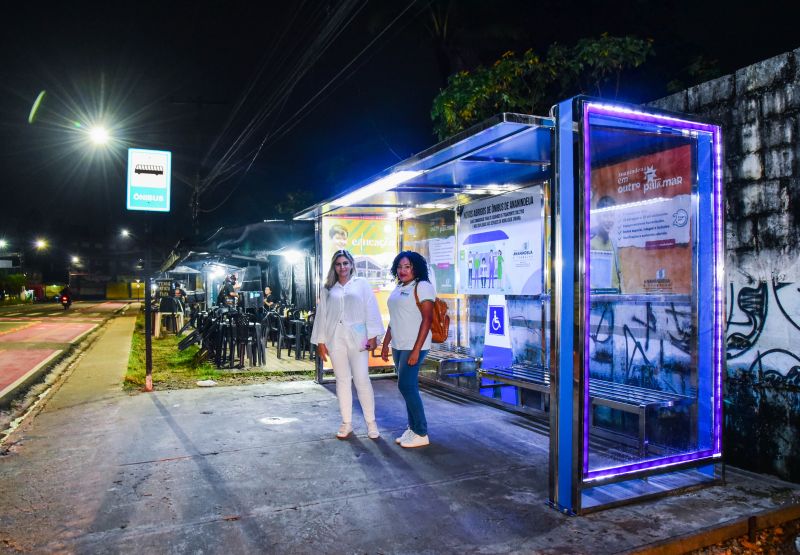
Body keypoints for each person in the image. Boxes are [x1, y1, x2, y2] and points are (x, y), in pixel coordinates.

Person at [310, 249, 384, 440]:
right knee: (342, 380)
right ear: (334, 266)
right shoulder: (327, 288)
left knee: (362, 379)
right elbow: (321, 316)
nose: (342, 267)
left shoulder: (362, 284)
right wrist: (320, 341)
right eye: (338, 264)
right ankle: (347, 423)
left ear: (351, 264)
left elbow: (371, 308)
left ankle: (371, 422)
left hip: (358, 338)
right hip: (335, 339)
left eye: (345, 263)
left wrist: (374, 335)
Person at [380, 250, 435, 448]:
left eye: (408, 267)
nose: (403, 270)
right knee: (408, 387)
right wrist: (386, 343)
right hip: (399, 345)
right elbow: (394, 319)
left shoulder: (423, 286)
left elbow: (428, 320)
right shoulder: (399, 287)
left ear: (416, 268)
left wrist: (415, 350)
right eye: (400, 267)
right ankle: (413, 429)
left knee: (406, 386)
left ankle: (421, 431)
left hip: (415, 345)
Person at [590, 195, 622, 290]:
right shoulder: (589, 242)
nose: (609, 220)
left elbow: (618, 274)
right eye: (605, 215)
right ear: (598, 217)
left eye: (611, 215)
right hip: (596, 300)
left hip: (613, 299)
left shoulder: (614, 243)